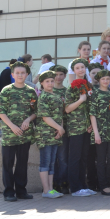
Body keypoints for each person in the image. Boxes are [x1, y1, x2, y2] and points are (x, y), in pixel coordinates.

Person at [0, 61, 37, 201]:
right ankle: (8, 192)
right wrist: (12, 126)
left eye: (22, 73)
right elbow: (1, 111)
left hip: (24, 134)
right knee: (8, 163)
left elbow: (35, 111)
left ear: (27, 74)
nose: (20, 75)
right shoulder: (6, 90)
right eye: (17, 73)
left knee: (22, 163)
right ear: (12, 75)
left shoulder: (31, 91)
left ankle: (21, 191)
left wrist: (28, 120)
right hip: (9, 134)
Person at [64, 59, 95, 197]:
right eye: (78, 68)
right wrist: (81, 100)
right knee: (75, 158)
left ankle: (83, 185)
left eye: (82, 67)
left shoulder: (88, 86)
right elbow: (67, 109)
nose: (81, 70)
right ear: (74, 71)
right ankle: (75, 188)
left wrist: (90, 124)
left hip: (86, 127)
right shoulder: (72, 87)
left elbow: (90, 107)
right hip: (75, 127)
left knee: (84, 157)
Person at [34, 71, 65, 199]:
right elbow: (45, 117)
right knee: (45, 162)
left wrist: (60, 129)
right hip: (45, 134)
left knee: (52, 163)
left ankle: (51, 189)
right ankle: (46, 190)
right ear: (41, 83)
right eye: (47, 81)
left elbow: (60, 114)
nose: (50, 83)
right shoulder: (43, 97)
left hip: (55, 133)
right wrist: (59, 128)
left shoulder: (56, 95)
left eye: (52, 81)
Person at [89, 70, 110, 196]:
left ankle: (108, 183)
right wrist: (96, 133)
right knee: (101, 159)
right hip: (99, 130)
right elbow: (92, 114)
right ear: (99, 80)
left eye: (107, 79)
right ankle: (103, 186)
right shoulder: (95, 94)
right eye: (103, 79)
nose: (106, 81)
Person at [49, 65, 70, 194]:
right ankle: (52, 184)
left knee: (62, 158)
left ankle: (62, 183)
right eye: (55, 74)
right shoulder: (47, 91)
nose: (58, 77)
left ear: (65, 76)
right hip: (49, 129)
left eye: (61, 74)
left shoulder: (67, 92)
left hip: (64, 129)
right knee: (51, 158)